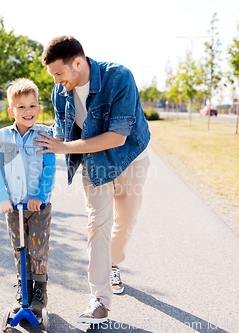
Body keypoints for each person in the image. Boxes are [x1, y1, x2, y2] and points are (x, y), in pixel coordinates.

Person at [34, 36, 151, 324]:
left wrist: (65, 147)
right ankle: (99, 298)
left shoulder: (119, 77)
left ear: (78, 62)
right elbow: (61, 133)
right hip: (93, 165)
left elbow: (117, 136)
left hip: (129, 158)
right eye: (53, 76)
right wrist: (27, 135)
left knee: (126, 222)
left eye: (59, 73)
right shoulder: (60, 91)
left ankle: (113, 261)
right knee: (97, 226)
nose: (57, 80)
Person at [0, 78, 56, 316]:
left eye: (32, 106)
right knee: (19, 248)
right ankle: (24, 286)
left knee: (38, 249)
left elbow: (49, 169)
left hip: (38, 206)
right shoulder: (3, 137)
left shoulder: (45, 134)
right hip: (13, 206)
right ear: (11, 110)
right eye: (21, 107)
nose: (28, 111)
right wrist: (2, 197)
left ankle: (40, 289)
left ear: (39, 108)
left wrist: (40, 196)